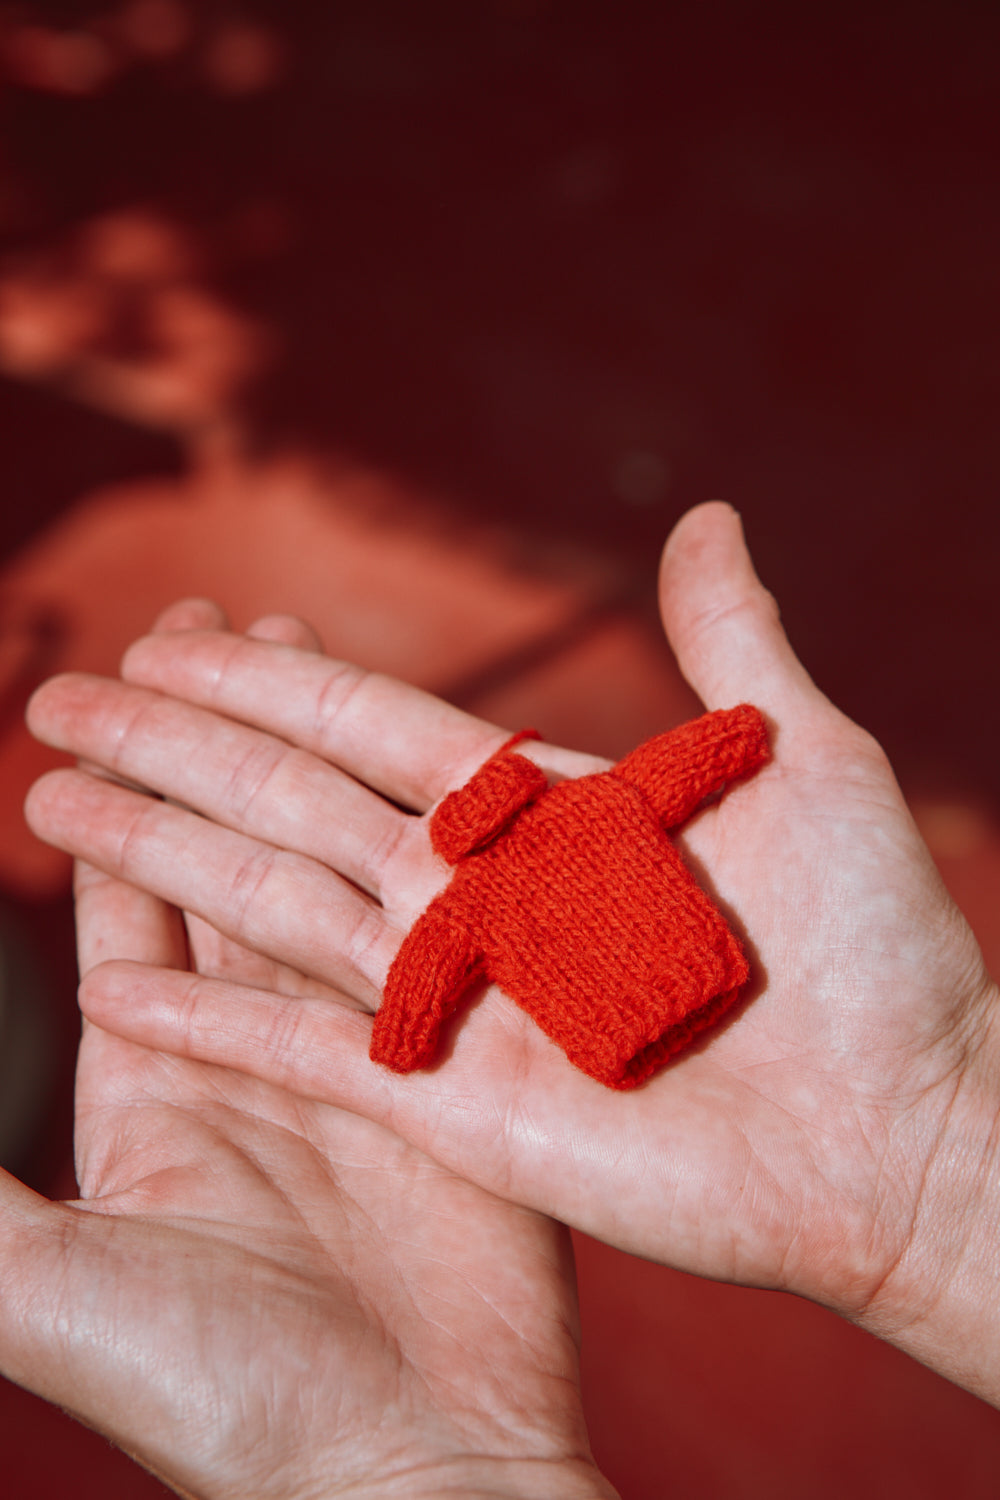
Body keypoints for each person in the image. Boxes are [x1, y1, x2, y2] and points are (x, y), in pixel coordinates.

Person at [17, 500, 1000, 1489]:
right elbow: (695, 758)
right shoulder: (591, 803)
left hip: (620, 1029)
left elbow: (416, 1001)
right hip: (700, 972)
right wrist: (946, 1145)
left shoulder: (474, 894)